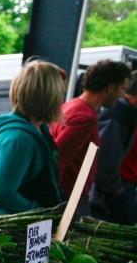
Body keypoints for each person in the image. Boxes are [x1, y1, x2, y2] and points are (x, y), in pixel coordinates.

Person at [0, 60, 66, 214]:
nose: (62, 99)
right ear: (49, 97)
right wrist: (38, 212)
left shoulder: (37, 130)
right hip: (4, 229)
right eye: (60, 93)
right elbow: (1, 194)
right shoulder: (19, 140)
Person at [50, 60, 130, 211]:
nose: (122, 96)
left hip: (68, 196)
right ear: (110, 87)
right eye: (122, 89)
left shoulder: (71, 106)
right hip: (70, 199)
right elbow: (57, 157)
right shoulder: (85, 118)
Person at [92, 73, 137, 224]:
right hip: (114, 192)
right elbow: (105, 161)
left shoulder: (127, 114)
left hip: (122, 188)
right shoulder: (118, 116)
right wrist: (117, 190)